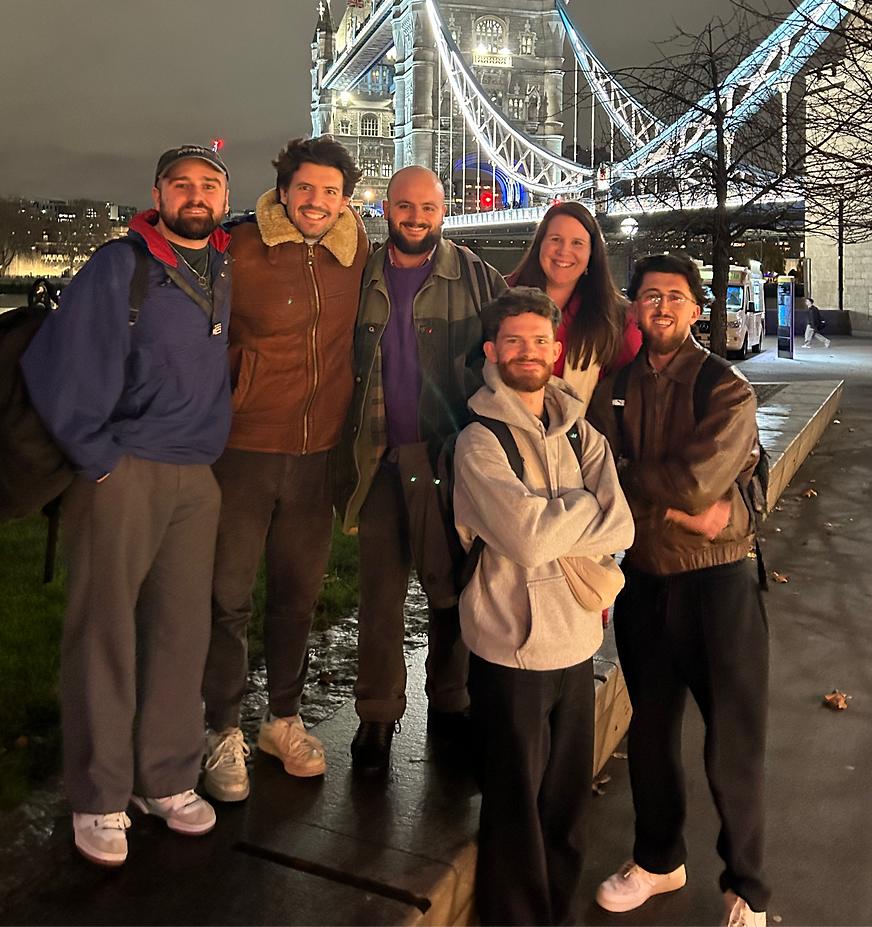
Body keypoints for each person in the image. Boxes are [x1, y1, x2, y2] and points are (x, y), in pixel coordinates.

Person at [21, 145, 233, 867]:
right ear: (158, 194)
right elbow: (60, 363)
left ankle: (165, 776)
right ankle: (99, 794)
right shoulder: (122, 265)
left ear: (223, 198)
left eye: (209, 185)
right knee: (104, 634)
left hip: (196, 477)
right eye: (182, 185)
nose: (196, 196)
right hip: (125, 471)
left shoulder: (226, 266)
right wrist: (98, 459)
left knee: (180, 634)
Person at [587, 253, 769, 927]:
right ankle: (658, 861)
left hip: (716, 586)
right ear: (634, 308)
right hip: (644, 581)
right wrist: (670, 496)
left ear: (697, 309)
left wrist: (646, 486)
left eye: (674, 297)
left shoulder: (725, 388)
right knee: (654, 735)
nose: (660, 308)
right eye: (648, 297)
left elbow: (696, 484)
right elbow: (603, 482)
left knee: (733, 741)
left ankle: (747, 886)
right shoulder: (611, 388)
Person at [454, 287, 634, 927]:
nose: (527, 353)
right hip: (510, 647)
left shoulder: (581, 428)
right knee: (514, 815)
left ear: (557, 351)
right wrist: (586, 506)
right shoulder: (480, 442)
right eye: (513, 342)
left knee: (564, 809)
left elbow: (625, 529)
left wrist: (566, 518)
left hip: (577, 641)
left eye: (539, 342)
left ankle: (556, 915)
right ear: (491, 351)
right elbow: (528, 542)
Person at [201, 137, 369, 801]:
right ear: (283, 188)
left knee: (297, 598)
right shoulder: (236, 247)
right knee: (227, 599)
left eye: (331, 192)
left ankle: (282, 719)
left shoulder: (359, 256)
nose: (317, 202)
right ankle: (220, 729)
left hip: (318, 453)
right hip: (242, 449)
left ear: (346, 199)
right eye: (306, 188)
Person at [334, 165, 506, 771]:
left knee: (450, 592)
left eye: (427, 209)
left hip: (448, 459)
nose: (415, 219)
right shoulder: (360, 275)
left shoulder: (479, 278)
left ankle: (451, 703)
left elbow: (514, 349)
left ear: (444, 212)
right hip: (380, 458)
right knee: (378, 597)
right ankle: (377, 717)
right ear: (386, 209)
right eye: (404, 207)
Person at [507, 201, 640, 408]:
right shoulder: (499, 295)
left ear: (591, 255)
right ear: (539, 245)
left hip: (579, 437)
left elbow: (635, 393)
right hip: (500, 434)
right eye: (555, 239)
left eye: (577, 243)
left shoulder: (616, 318)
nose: (564, 251)